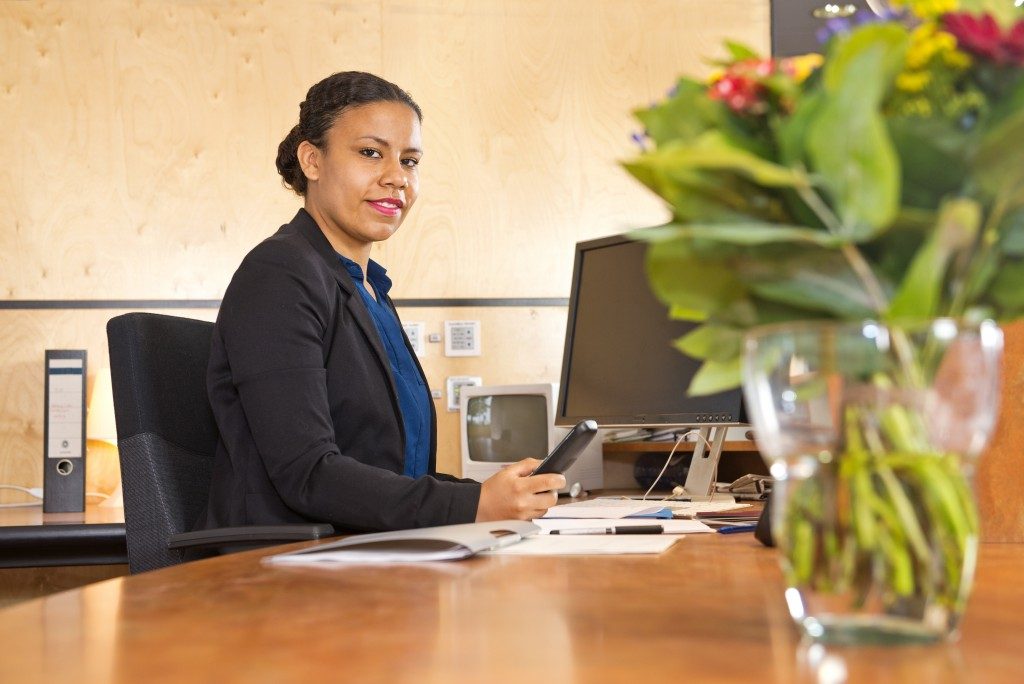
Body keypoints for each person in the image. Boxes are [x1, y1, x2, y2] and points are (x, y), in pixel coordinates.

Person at [196, 71, 565, 533]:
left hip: (372, 548)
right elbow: (307, 473)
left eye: (410, 161)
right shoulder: (279, 274)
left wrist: (494, 495)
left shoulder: (368, 288)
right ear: (311, 160)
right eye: (371, 153)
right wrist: (474, 505)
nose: (396, 178)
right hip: (293, 567)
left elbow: (397, 476)